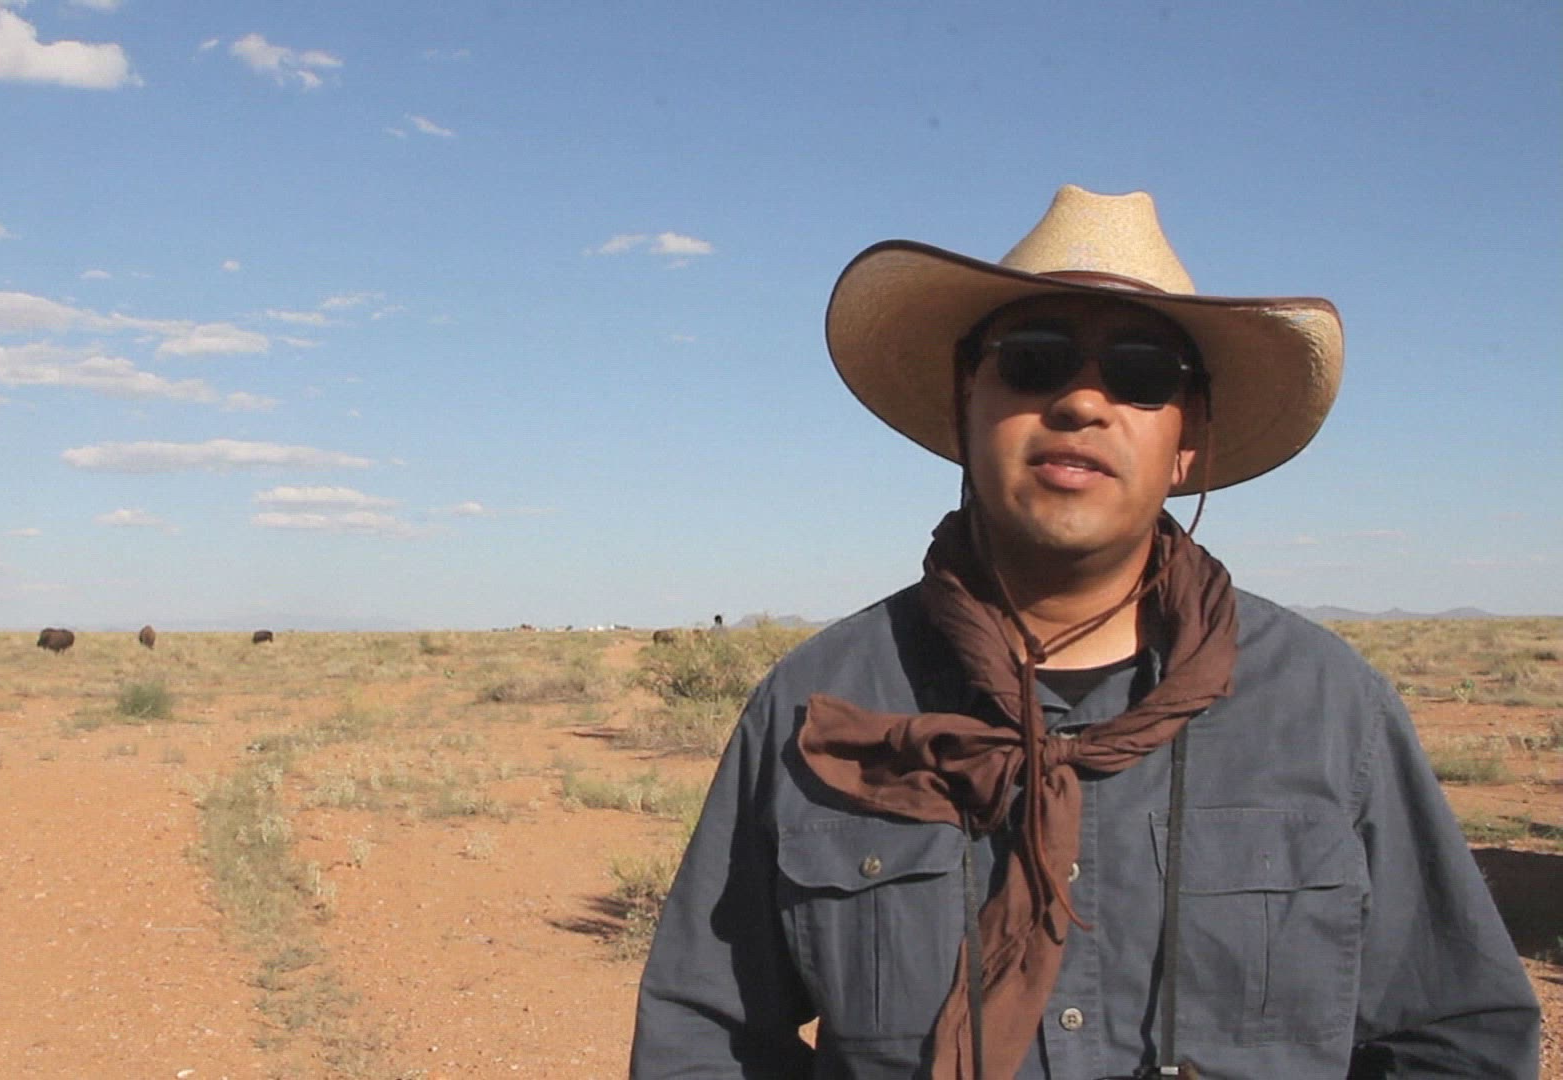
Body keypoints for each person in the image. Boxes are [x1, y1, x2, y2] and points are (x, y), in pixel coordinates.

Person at [630, 186, 1539, 1079]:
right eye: (1035, 360)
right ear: (967, 402)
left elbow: (1459, 1038)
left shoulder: (1329, 708)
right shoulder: (817, 704)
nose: (1082, 403)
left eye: (1142, 374)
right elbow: (703, 1040)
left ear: (1188, 440)